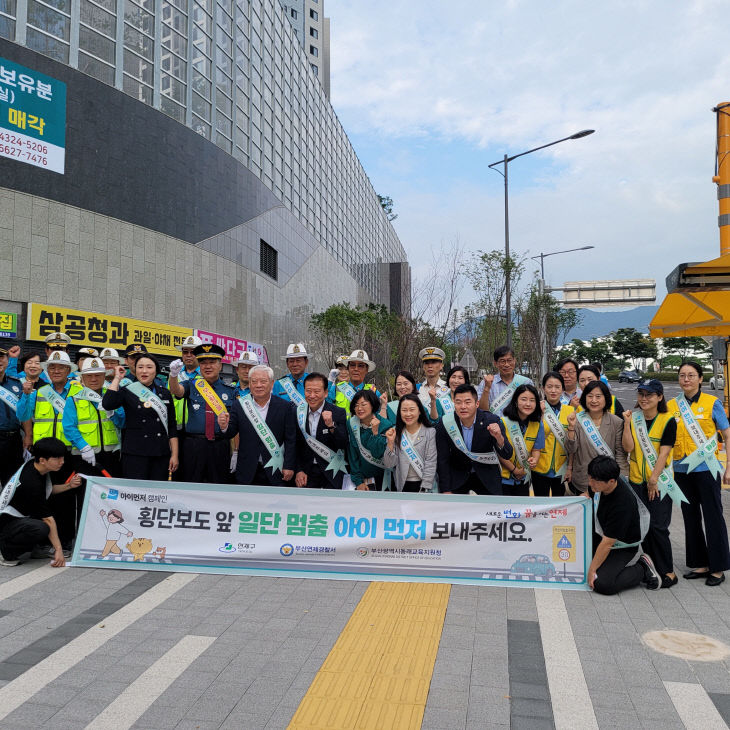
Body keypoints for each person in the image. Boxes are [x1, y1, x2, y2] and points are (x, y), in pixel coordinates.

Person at [668, 361, 730, 587]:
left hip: (707, 469)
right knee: (690, 517)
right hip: (681, 470)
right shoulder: (672, 405)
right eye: (682, 375)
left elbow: (727, 434)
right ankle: (699, 564)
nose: (686, 379)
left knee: (713, 516)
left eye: (691, 375)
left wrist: (729, 467)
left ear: (700, 379)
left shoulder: (712, 403)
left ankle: (718, 567)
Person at [17, 350, 81, 551]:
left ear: (68, 370)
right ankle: (43, 542)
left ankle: (65, 540)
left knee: (67, 497)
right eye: (51, 367)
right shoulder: (39, 392)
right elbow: (23, 414)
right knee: (44, 497)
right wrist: (25, 396)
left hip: (68, 453)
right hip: (44, 456)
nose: (55, 371)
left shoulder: (78, 391)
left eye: (60, 367)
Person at [621, 379, 678, 589]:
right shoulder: (634, 418)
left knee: (658, 526)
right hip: (637, 481)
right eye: (641, 394)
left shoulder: (668, 420)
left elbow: (664, 452)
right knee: (644, 527)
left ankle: (669, 571)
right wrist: (626, 424)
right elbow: (628, 448)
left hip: (660, 481)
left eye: (649, 395)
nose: (644, 399)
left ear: (660, 397)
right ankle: (651, 567)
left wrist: (654, 479)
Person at [0, 438, 82, 567]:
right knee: (42, 528)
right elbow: (48, 519)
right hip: (8, 524)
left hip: (22, 517)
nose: (62, 462)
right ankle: (7, 551)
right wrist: (59, 550)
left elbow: (48, 491)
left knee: (55, 505)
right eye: (57, 459)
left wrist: (69, 486)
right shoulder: (31, 482)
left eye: (62, 457)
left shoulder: (35, 465)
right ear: (43, 460)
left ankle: (36, 547)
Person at [587, 455, 661, 595]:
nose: (590, 483)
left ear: (611, 481)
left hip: (621, 546)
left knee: (602, 583)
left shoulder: (622, 503)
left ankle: (642, 568)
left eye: (594, 480)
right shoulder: (600, 486)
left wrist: (592, 570)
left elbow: (608, 543)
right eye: (589, 477)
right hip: (603, 534)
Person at [102, 355, 179, 480]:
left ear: (156, 371)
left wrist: (174, 455)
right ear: (135, 370)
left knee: (157, 493)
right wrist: (117, 378)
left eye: (149, 367)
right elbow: (108, 403)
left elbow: (171, 426)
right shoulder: (128, 391)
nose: (144, 371)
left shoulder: (164, 393)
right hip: (135, 453)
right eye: (140, 367)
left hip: (160, 453)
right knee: (134, 493)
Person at [219, 365, 297, 486]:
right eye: (254, 381)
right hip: (247, 469)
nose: (258, 385)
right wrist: (224, 427)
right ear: (249, 384)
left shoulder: (285, 407)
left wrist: (289, 465)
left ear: (271, 384)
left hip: (276, 468)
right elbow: (231, 432)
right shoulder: (239, 405)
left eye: (263, 381)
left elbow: (291, 440)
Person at [168, 343, 234, 483]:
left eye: (212, 362)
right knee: (191, 483)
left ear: (220, 365)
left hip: (219, 445)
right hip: (194, 445)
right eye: (203, 363)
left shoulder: (230, 390)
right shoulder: (192, 384)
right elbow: (177, 391)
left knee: (218, 485)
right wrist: (173, 375)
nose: (207, 366)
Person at [435, 383, 513, 495]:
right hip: (457, 478)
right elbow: (442, 459)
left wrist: (499, 438)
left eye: (467, 402)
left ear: (477, 404)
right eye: (458, 402)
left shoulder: (491, 420)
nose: (463, 407)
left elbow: (507, 454)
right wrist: (446, 489)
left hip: (487, 478)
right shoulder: (445, 423)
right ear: (454, 403)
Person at [62, 357, 125, 479]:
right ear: (82, 378)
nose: (94, 379)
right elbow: (69, 427)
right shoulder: (74, 399)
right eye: (89, 376)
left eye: (98, 375)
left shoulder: (113, 395)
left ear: (104, 376)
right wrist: (84, 447)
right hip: (84, 455)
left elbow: (123, 423)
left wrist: (112, 413)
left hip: (112, 455)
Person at [565, 380, 628, 495]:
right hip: (582, 480)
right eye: (590, 396)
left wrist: (621, 480)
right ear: (584, 398)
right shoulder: (577, 420)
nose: (594, 400)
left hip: (607, 484)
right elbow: (571, 449)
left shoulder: (616, 422)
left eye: (598, 396)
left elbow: (620, 454)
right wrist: (571, 428)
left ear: (606, 398)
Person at [294, 372, 349, 489]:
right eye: (308, 391)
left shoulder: (338, 412)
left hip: (332, 472)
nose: (312, 395)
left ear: (325, 393)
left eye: (317, 391)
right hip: (306, 474)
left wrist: (331, 425)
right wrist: (298, 470)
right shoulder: (298, 412)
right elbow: (294, 445)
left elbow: (343, 443)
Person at [383, 394, 437, 492]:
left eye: (412, 410)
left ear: (420, 411)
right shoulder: (395, 432)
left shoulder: (430, 432)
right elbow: (389, 464)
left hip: (424, 486)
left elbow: (431, 462)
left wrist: (425, 488)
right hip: (401, 485)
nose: (408, 414)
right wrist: (390, 443)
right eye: (404, 410)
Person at [532, 371, 574, 497]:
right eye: (549, 387)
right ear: (543, 388)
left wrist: (570, 467)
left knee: (559, 508)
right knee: (540, 506)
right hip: (539, 467)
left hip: (561, 468)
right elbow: (532, 437)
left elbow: (573, 443)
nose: (553, 390)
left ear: (562, 389)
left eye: (557, 387)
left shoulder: (570, 411)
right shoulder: (536, 409)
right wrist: (541, 415)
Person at [499, 384, 545, 497]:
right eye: (523, 399)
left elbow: (536, 449)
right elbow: (498, 451)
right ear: (515, 401)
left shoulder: (538, 425)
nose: (528, 404)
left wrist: (534, 461)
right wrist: (514, 470)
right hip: (502, 478)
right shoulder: (503, 422)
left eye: (532, 400)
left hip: (524, 479)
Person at [346, 389, 394, 490]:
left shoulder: (386, 425)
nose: (359, 408)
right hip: (362, 480)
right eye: (356, 405)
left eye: (363, 404)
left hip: (384, 478)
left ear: (372, 405)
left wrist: (375, 433)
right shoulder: (352, 423)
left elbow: (378, 453)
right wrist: (358, 481)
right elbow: (353, 453)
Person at [478, 346, 532, 415]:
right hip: (493, 425)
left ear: (514, 360)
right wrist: (487, 388)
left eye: (509, 360)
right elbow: (481, 411)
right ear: (495, 363)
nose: (506, 365)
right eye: (502, 361)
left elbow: (532, 407)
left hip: (519, 425)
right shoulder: (486, 383)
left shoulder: (526, 382)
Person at [0, 343, 24, 486]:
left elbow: (25, 412)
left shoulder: (16, 384)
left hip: (14, 439)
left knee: (12, 481)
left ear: (7, 360)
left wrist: (28, 435)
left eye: (2, 357)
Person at [336, 350, 381, 415]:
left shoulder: (373, 391)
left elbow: (379, 417)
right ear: (348, 368)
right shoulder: (337, 388)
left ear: (367, 369)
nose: (356, 369)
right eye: (352, 365)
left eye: (360, 366)